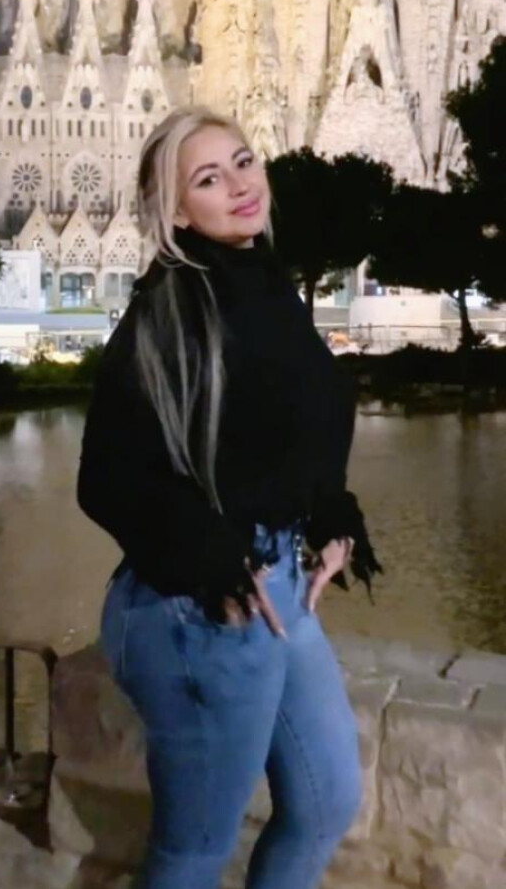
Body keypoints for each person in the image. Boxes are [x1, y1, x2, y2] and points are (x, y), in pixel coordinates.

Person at [77, 105, 383, 889]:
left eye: (244, 161)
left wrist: (329, 514)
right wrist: (217, 559)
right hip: (199, 604)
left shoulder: (266, 284)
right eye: (209, 179)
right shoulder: (170, 308)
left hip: (275, 588)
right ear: (178, 212)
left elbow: (304, 420)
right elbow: (108, 476)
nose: (241, 184)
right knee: (194, 850)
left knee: (325, 800)